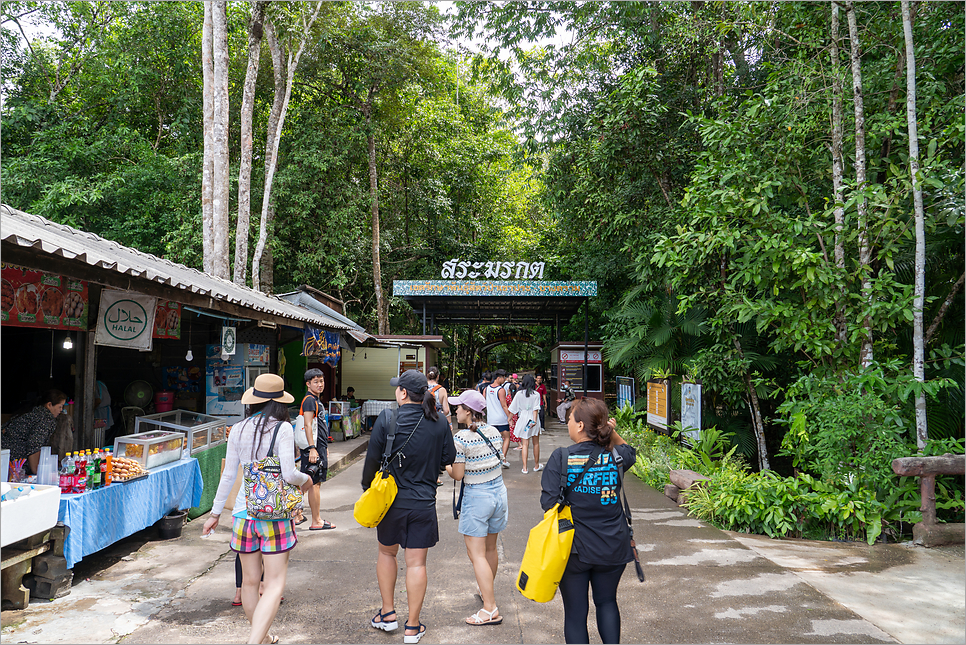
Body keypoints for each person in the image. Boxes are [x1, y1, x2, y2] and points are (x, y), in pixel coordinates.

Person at [203, 373, 312, 645]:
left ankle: (261, 639)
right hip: (273, 516)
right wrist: (306, 480)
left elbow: (228, 475)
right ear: (280, 403)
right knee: (273, 584)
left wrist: (215, 514)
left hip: (242, 515)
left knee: (249, 583)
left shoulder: (238, 428)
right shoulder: (283, 428)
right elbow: (288, 474)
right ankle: (254, 642)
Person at [362, 370, 456, 644]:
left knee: (386, 554)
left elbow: (371, 460)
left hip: (390, 503)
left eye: (397, 388)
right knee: (416, 564)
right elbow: (448, 457)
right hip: (423, 502)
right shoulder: (439, 422)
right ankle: (412, 627)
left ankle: (388, 614)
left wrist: (368, 489)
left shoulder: (387, 419)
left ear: (403, 392)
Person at [540, 398, 636, 644]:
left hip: (574, 550)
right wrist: (611, 432)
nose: (568, 423)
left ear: (580, 425)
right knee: (607, 602)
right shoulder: (615, 458)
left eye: (570, 419)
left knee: (575, 613)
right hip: (613, 545)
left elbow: (549, 505)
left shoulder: (561, 458)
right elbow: (630, 452)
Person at [445, 389, 507, 626]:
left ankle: (490, 608)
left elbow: (458, 474)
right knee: (490, 549)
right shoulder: (492, 431)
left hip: (477, 497)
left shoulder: (460, 438)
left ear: (469, 412)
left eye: (459, 407)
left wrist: (446, 466)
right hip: (499, 494)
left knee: (476, 553)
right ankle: (486, 592)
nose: (455, 410)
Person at [298, 368, 335, 531]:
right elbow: (307, 425)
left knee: (310, 482)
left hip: (318, 448)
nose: (320, 385)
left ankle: (296, 512)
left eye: (321, 381)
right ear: (308, 384)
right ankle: (316, 520)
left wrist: (322, 447)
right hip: (312, 449)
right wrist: (313, 448)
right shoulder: (309, 400)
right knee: (313, 483)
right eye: (316, 382)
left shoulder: (315, 400)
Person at [2, 389, 67, 475]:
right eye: (60, 406)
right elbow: (34, 444)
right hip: (12, 460)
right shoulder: (46, 418)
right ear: (49, 405)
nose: (61, 410)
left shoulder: (34, 412)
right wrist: (37, 471)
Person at [508, 375, 542, 473]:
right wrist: (534, 421)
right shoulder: (536, 394)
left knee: (525, 444)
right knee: (536, 444)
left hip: (523, 418)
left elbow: (513, 408)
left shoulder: (519, 394)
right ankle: (536, 466)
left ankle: (525, 468)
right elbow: (535, 409)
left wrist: (509, 419)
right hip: (533, 419)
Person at [484, 370, 512, 469]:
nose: (504, 379)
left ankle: (493, 459)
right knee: (507, 438)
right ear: (498, 377)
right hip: (501, 419)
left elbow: (483, 403)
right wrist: (510, 417)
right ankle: (503, 459)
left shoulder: (486, 389)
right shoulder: (501, 390)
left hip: (491, 419)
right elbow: (504, 405)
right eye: (504, 377)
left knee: (493, 440)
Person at [426, 367, 451, 432]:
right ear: (438, 377)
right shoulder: (442, 390)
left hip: (423, 420)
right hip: (437, 420)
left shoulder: (422, 388)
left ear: (427, 376)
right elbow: (446, 410)